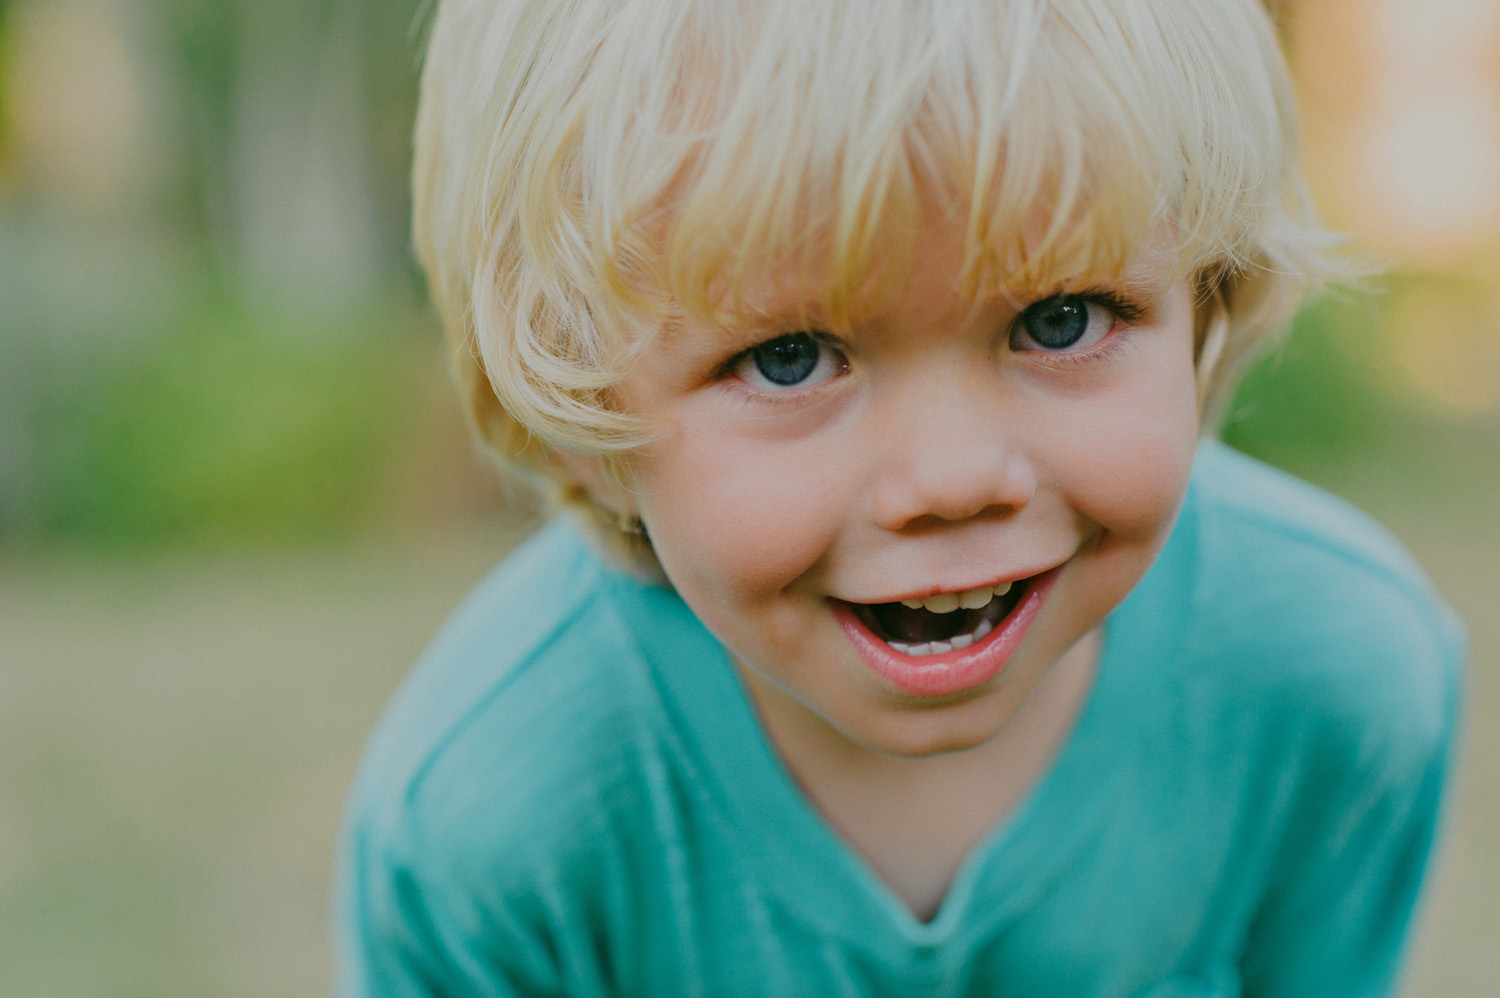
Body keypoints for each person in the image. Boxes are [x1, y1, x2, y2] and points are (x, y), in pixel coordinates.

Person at [332, 0, 1465, 993]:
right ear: (578, 420)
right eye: (789, 357)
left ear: (1209, 302)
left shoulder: (1334, 682)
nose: (955, 477)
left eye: (1060, 318)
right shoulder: (490, 825)